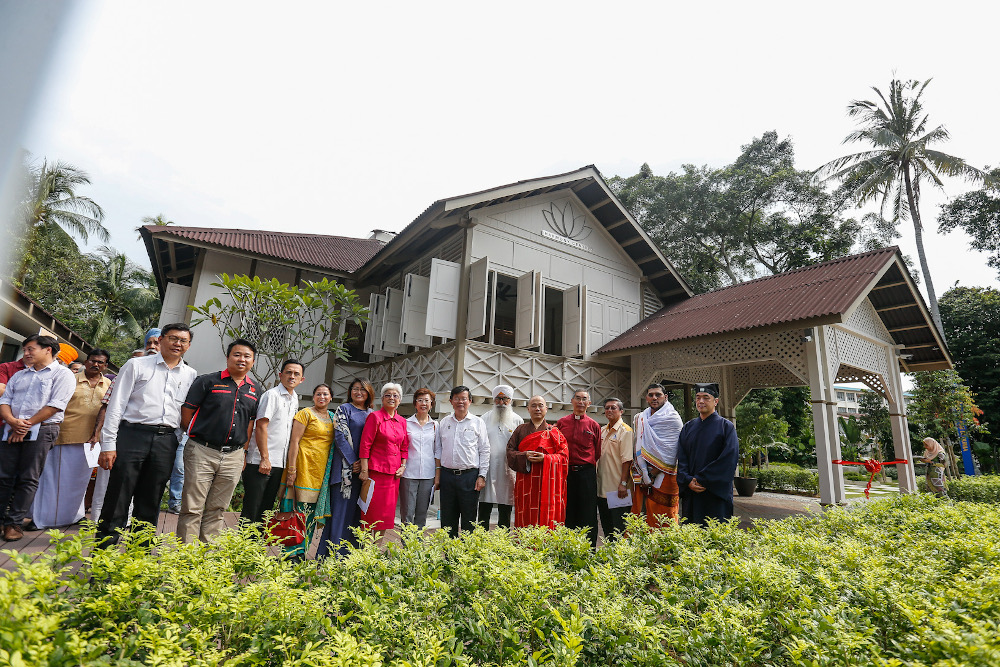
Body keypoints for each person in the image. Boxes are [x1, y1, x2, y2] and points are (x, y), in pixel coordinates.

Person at [95, 323, 196, 546]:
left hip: (166, 441)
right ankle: (103, 561)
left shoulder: (190, 374)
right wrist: (108, 444)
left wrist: (178, 439)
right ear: (161, 340)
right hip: (133, 435)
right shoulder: (136, 365)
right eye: (173, 338)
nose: (177, 343)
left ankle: (138, 562)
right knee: (118, 498)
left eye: (183, 340)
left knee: (151, 501)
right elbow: (116, 406)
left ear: (188, 346)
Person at [178, 339, 261, 543]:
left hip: (234, 455)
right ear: (228, 357)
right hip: (202, 451)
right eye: (237, 354)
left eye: (247, 356)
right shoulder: (207, 381)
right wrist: (197, 435)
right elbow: (187, 412)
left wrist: (243, 452)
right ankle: (186, 558)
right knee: (192, 507)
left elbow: (250, 423)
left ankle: (208, 557)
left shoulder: (255, 390)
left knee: (217, 508)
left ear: (253, 361)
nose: (242, 359)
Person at [0, 335, 75, 541]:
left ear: (48, 350)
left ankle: (13, 523)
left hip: (43, 429)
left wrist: (25, 424)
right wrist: (12, 421)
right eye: (24, 350)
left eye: (30, 349)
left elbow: (56, 405)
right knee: (3, 475)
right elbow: (5, 400)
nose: (26, 354)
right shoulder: (20, 376)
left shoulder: (63, 375)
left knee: (28, 477)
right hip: (12, 427)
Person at [30, 349, 112, 529]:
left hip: (91, 441)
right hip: (64, 435)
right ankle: (42, 519)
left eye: (100, 362)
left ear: (105, 366)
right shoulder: (70, 379)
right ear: (86, 361)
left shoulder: (108, 384)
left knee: (79, 482)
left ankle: (73, 516)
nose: (95, 365)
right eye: (92, 361)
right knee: (52, 480)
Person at [239, 359, 304, 525]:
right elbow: (261, 426)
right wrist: (265, 458)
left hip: (278, 463)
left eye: (296, 374)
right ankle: (244, 548)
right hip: (261, 461)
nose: (292, 376)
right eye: (288, 372)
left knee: (266, 509)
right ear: (280, 375)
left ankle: (257, 549)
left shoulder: (294, 398)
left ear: (302, 379)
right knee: (252, 509)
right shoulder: (272, 395)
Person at [316, 378, 375, 558]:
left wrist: (363, 465)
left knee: (356, 516)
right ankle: (332, 555)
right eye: (355, 389)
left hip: (363, 472)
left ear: (369, 393)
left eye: (363, 390)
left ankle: (350, 556)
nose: (359, 392)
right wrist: (353, 461)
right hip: (344, 473)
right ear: (350, 391)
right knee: (340, 515)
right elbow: (340, 437)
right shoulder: (343, 410)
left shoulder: (372, 413)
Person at [280, 384, 336, 560]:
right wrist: (291, 470)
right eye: (318, 393)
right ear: (313, 397)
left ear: (330, 398)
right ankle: (290, 554)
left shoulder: (333, 417)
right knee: (295, 510)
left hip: (320, 473)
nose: (322, 397)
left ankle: (302, 551)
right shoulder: (305, 414)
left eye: (325, 394)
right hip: (302, 467)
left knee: (310, 513)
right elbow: (294, 442)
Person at [676, 383, 740, 526]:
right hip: (692, 493)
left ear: (716, 401)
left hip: (715, 493)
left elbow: (728, 460)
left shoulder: (726, 427)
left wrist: (702, 479)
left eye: (706, 398)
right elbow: (682, 458)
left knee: (715, 537)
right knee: (691, 537)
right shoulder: (688, 427)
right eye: (698, 398)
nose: (701, 401)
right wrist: (687, 480)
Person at [434, 386, 489, 538]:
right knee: (447, 519)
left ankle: (466, 557)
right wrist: (438, 475)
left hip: (469, 477)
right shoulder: (444, 422)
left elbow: (484, 450)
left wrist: (482, 475)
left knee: (469, 519)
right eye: (456, 398)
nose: (460, 402)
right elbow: (438, 449)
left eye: (464, 398)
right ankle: (449, 556)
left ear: (470, 401)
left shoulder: (478, 422)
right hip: (447, 476)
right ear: (451, 401)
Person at [506, 395, 568, 528]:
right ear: (528, 409)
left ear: (546, 409)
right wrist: (524, 455)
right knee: (526, 515)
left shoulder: (555, 432)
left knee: (547, 515)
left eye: (540, 405)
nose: (537, 409)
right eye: (533, 406)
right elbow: (510, 452)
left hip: (548, 483)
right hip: (526, 482)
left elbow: (564, 457)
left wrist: (546, 458)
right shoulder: (520, 430)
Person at [358, 383, 409, 534]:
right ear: (382, 398)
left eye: (395, 396)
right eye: (388, 395)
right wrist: (364, 470)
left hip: (394, 476)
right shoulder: (375, 417)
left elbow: (404, 447)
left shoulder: (402, 421)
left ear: (400, 400)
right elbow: (365, 445)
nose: (392, 398)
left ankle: (377, 550)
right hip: (375, 474)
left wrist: (403, 465)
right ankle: (366, 552)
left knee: (386, 517)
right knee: (370, 514)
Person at [631, 383, 684, 526]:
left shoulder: (673, 419)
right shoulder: (641, 418)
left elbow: (673, 452)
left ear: (665, 397)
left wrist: (653, 473)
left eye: (658, 395)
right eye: (651, 395)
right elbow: (638, 444)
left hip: (666, 474)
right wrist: (644, 473)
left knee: (665, 518)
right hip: (643, 474)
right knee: (643, 517)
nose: (654, 398)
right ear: (646, 398)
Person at [556, 389, 602, 548]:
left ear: (589, 403)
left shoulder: (594, 425)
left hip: (586, 474)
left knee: (588, 512)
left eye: (584, 399)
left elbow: (597, 452)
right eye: (578, 398)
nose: (581, 402)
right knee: (567, 510)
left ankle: (589, 549)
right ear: (572, 401)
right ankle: (567, 548)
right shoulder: (562, 423)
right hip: (566, 473)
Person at [478, 385, 522, 529]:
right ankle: (481, 541)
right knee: (484, 508)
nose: (501, 403)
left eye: (505, 399)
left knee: (505, 509)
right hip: (488, 469)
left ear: (510, 400)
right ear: (493, 400)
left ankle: (502, 542)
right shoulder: (484, 418)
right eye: (498, 399)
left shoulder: (518, 420)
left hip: (507, 470)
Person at [596, 397, 633, 541]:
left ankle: (621, 559)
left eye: (613, 408)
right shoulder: (602, 431)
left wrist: (623, 483)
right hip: (602, 489)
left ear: (621, 411)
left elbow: (627, 460)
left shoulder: (626, 431)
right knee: (607, 527)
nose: (609, 410)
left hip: (618, 490)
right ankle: (610, 559)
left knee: (619, 528)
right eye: (607, 408)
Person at [399, 388, 437, 528]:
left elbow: (437, 450)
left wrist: (437, 475)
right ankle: (406, 545)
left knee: (422, 512)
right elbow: (402, 447)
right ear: (415, 403)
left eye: (427, 401)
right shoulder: (405, 423)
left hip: (428, 474)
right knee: (407, 512)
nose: (423, 403)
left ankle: (418, 545)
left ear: (431, 404)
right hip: (409, 473)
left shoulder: (435, 425)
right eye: (420, 400)